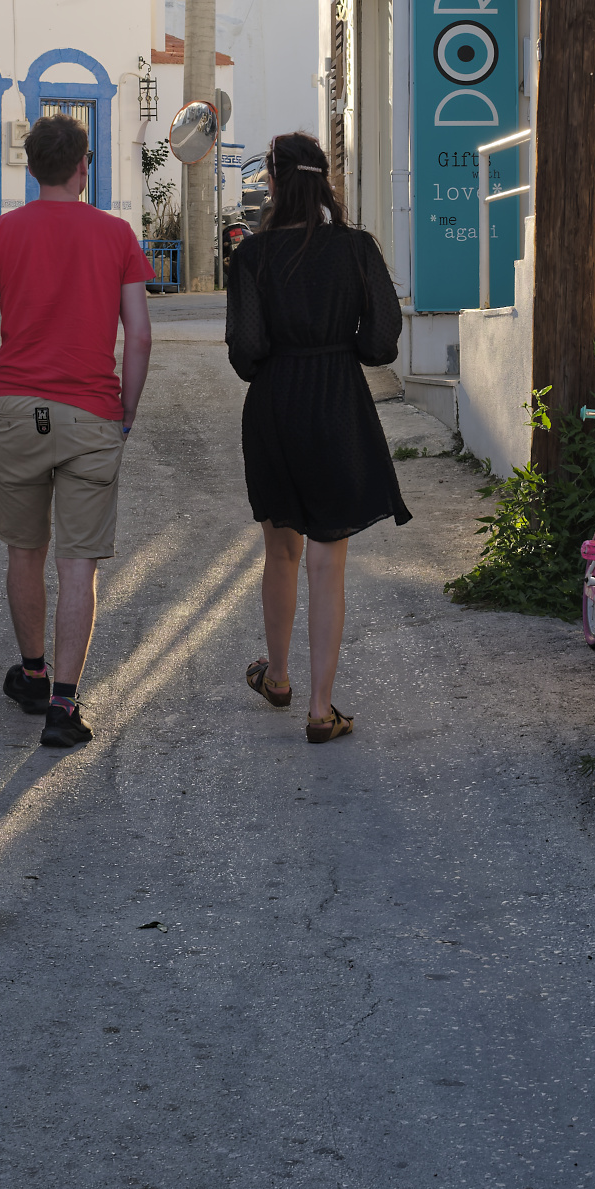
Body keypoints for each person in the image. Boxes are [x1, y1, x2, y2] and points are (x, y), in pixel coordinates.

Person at [0, 115, 153, 749]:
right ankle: (64, 707)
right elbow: (139, 336)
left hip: (18, 407)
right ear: (82, 166)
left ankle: (33, 675)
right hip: (92, 412)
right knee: (78, 564)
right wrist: (125, 412)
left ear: (32, 167)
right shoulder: (116, 235)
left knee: (24, 550)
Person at [223, 133, 409, 742]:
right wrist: (336, 349)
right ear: (325, 182)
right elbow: (381, 341)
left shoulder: (252, 256)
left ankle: (277, 677)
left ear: (273, 183)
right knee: (329, 561)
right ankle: (321, 709)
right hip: (337, 403)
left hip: (274, 405)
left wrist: (282, 359)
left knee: (281, 550)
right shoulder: (357, 249)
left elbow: (246, 350)